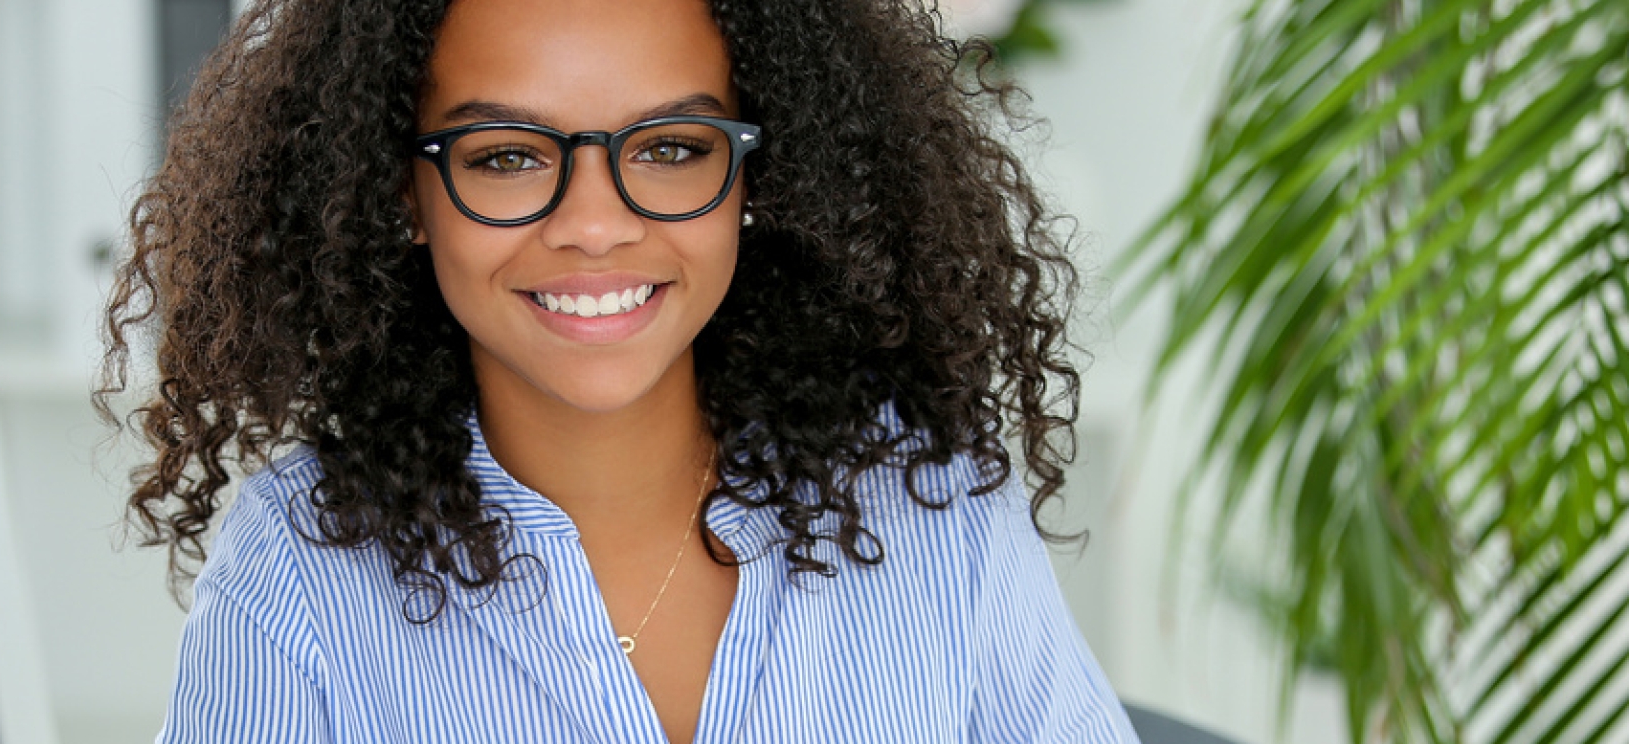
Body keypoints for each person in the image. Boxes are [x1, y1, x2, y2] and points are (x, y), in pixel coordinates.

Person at [100, 0, 1139, 741]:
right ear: (403, 195)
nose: (594, 225)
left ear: (754, 181)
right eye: (506, 154)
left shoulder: (934, 507)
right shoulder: (297, 571)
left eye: (672, 148)